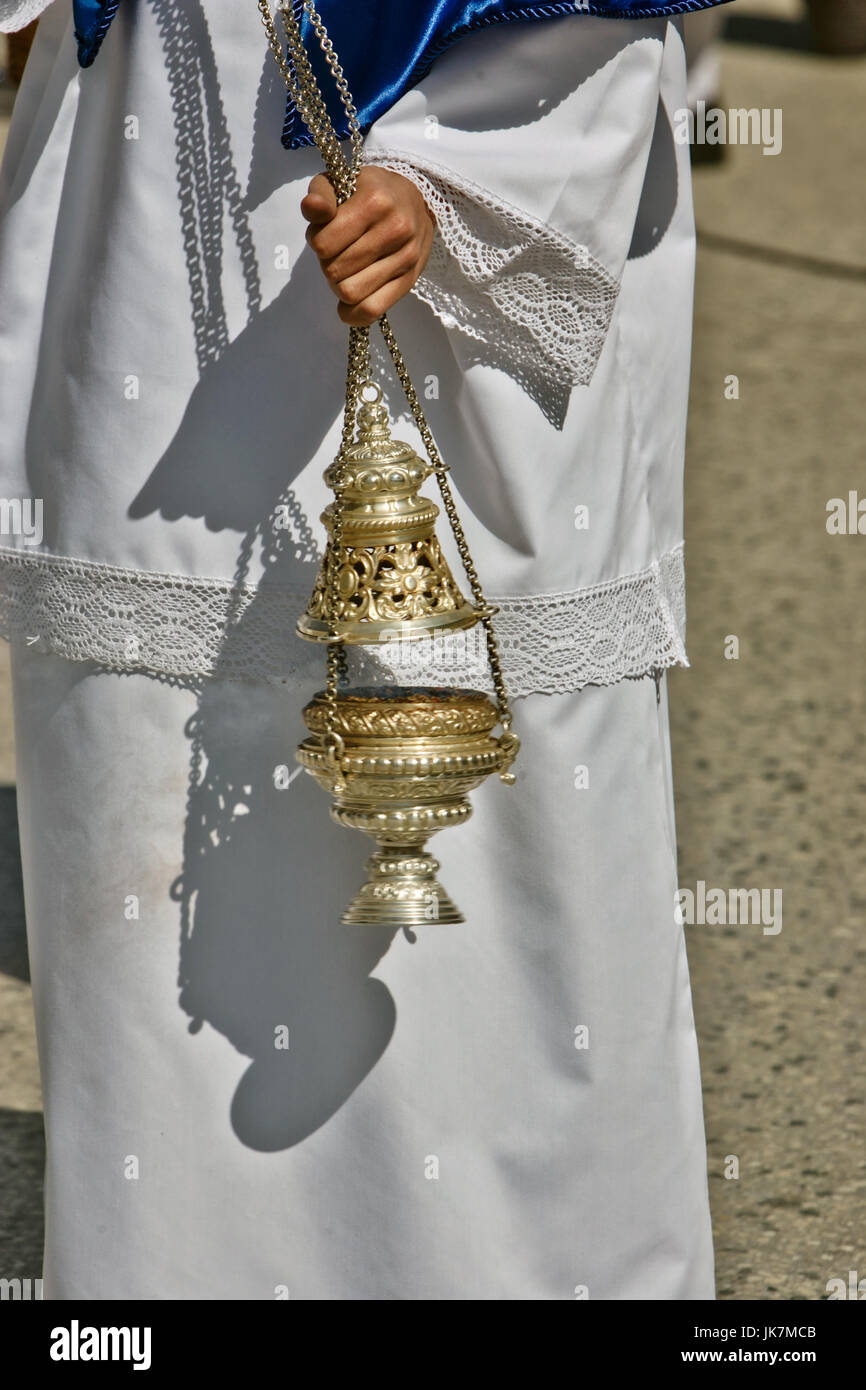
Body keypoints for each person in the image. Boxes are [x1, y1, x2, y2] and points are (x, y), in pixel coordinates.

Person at [0, 0, 728, 1299]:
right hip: (147, 245)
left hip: (452, 231)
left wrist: (456, 179)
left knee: (500, 859)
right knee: (143, 790)